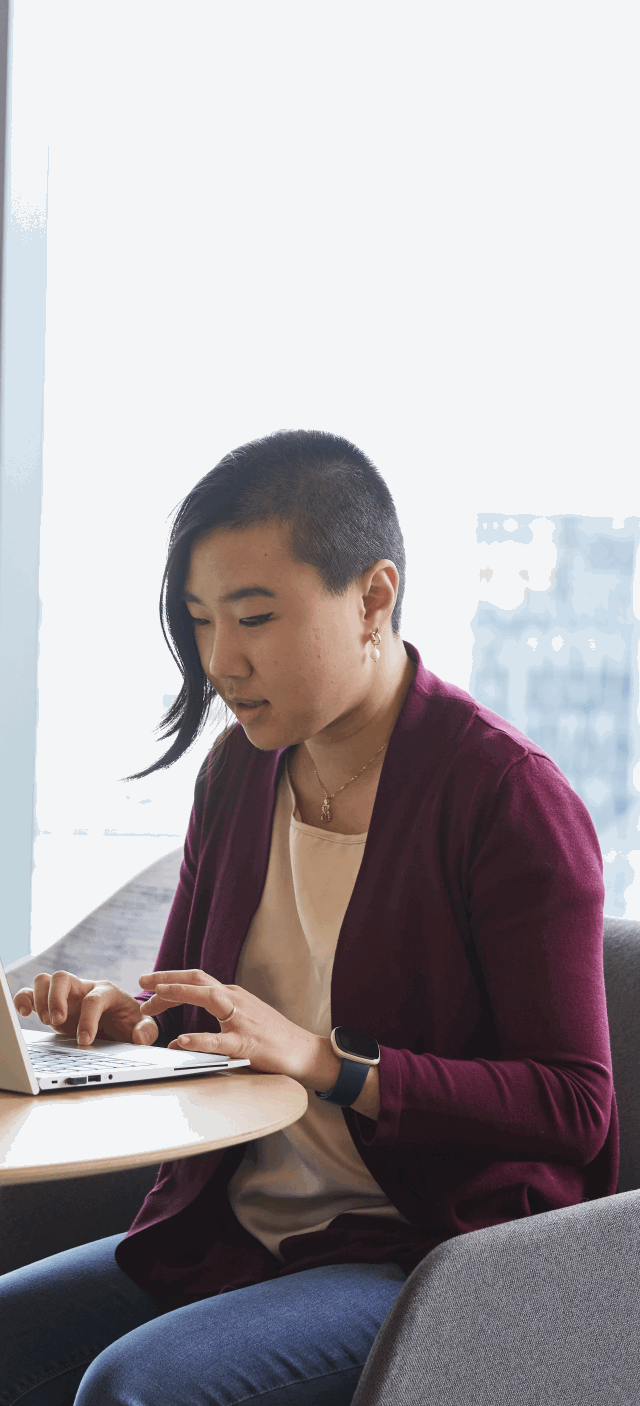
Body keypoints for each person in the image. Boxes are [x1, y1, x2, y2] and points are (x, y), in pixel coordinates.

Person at [1, 429, 618, 1406]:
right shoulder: (238, 774)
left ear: (373, 598)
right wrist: (124, 1023)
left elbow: (575, 1108)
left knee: (134, 1388)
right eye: (201, 621)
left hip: (425, 1256)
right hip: (232, 1228)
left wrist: (329, 1062)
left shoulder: (505, 798)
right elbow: (196, 1016)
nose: (221, 660)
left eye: (254, 617)